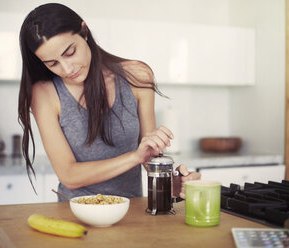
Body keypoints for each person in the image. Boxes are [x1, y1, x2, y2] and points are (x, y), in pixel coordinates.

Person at [18, 3, 200, 201]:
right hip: (74, 214)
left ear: (84, 32)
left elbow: (149, 155)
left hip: (130, 212)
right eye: (52, 64)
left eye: (69, 52)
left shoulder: (137, 76)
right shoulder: (44, 93)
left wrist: (173, 182)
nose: (67, 69)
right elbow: (69, 175)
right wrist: (134, 157)